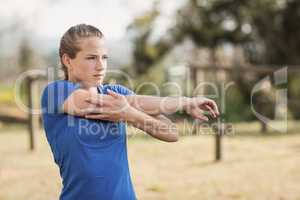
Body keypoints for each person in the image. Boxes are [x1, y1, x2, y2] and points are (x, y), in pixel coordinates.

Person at [41, 24, 219, 200]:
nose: (100, 66)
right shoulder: (55, 93)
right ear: (67, 60)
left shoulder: (117, 94)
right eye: (91, 58)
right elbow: (125, 103)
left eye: (104, 57)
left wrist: (130, 114)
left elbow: (171, 133)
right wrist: (130, 109)